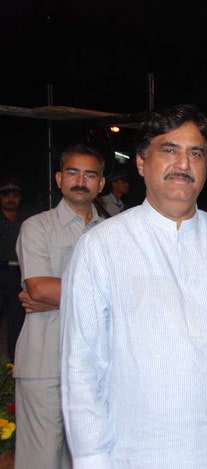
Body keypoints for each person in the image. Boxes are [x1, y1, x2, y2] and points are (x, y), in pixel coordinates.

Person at [60, 104, 207, 469]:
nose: (183, 164)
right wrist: (91, 459)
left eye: (196, 153)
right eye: (169, 150)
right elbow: (82, 366)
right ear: (142, 162)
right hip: (131, 452)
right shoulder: (103, 246)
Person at [14, 144, 106, 469]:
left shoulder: (114, 232)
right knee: (39, 461)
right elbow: (38, 287)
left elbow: (132, 294)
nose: (80, 180)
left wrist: (59, 295)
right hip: (44, 362)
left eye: (90, 174)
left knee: (88, 458)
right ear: (58, 179)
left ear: (101, 184)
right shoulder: (36, 227)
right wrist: (107, 297)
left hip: (98, 366)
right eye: (72, 172)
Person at [0, 179, 31, 361]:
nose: (11, 198)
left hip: (19, 272)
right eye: (6, 194)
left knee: (17, 321)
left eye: (15, 195)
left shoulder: (27, 220)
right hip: (1, 270)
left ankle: (13, 362)